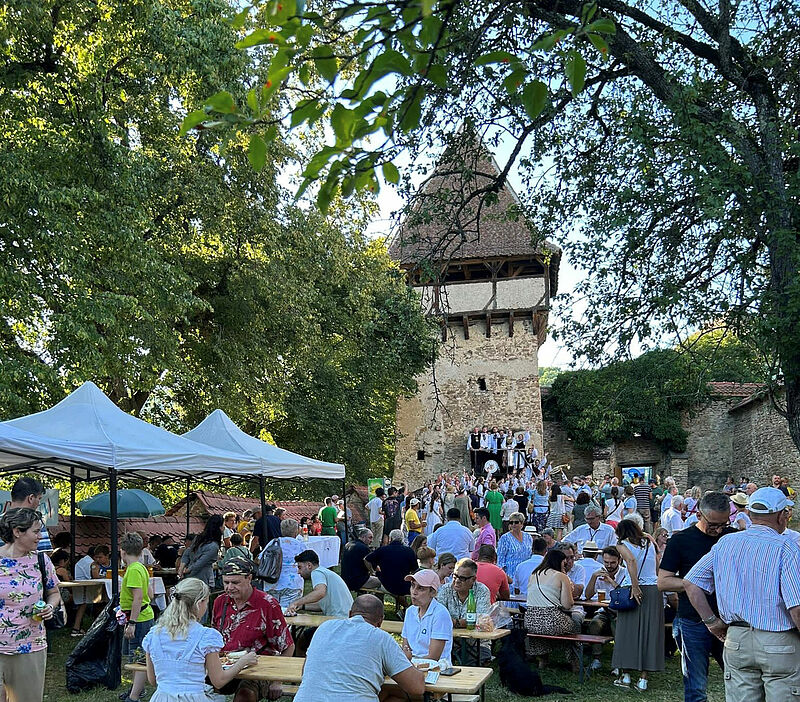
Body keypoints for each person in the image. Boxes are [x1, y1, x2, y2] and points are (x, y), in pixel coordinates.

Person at [684, 487, 800, 702]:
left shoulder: (726, 543)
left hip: (737, 639)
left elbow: (691, 582)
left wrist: (711, 622)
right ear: (781, 515)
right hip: (778, 639)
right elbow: (797, 607)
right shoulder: (788, 547)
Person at [657, 491, 732, 702]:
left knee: (738, 680)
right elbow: (663, 582)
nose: (718, 530)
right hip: (692, 620)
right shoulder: (680, 540)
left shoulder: (732, 537)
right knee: (696, 685)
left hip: (729, 619)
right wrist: (695, 585)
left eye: (723, 524)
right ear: (699, 514)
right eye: (713, 524)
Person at [142, 577, 258, 702]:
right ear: (199, 604)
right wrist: (242, 662)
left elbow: (153, 680)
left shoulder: (154, 634)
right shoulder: (205, 636)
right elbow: (219, 681)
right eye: (206, 603)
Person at [295, 595, 425, 702]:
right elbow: (417, 688)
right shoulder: (381, 638)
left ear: (350, 614)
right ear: (380, 621)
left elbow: (305, 672)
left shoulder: (325, 627)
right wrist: (405, 660)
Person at [212, 557, 294, 702]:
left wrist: (277, 680)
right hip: (224, 664)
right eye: (226, 582)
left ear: (249, 578)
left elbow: (288, 646)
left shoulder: (268, 604)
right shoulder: (220, 601)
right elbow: (213, 638)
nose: (229, 588)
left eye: (235, 583)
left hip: (257, 667)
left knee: (245, 696)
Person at [0, 508, 60, 702]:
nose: (40, 537)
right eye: (35, 531)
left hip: (31, 647)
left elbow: (54, 593)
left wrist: (50, 607)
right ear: (18, 532)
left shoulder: (42, 560)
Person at [612, 518, 664, 691]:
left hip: (632, 588)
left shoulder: (621, 544)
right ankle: (643, 679)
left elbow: (631, 561)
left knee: (627, 632)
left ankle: (626, 675)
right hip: (653, 587)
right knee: (650, 632)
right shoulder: (649, 541)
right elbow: (657, 565)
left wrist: (635, 586)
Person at [524, 549, 579, 667]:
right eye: (564, 563)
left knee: (542, 630)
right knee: (574, 626)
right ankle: (574, 662)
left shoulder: (533, 574)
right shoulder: (561, 576)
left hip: (530, 621)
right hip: (551, 620)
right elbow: (567, 605)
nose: (566, 566)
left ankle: (542, 660)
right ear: (558, 562)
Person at [120, 532, 156, 702]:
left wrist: (132, 622)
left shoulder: (133, 570)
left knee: (139, 658)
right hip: (144, 615)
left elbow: (138, 597)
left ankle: (134, 696)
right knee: (136, 656)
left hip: (139, 619)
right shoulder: (141, 567)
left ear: (122, 551)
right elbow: (151, 593)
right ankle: (136, 689)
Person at [583, 546, 628, 671]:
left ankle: (618, 662)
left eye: (612, 562)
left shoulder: (625, 573)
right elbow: (587, 595)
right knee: (594, 624)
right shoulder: (599, 572)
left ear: (619, 560)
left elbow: (625, 595)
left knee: (618, 627)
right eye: (606, 562)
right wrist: (593, 578)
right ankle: (597, 658)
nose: (609, 565)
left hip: (621, 611)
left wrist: (611, 581)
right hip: (604, 610)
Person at [401, 570, 453, 666]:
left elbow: (433, 657)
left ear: (433, 593)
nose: (414, 592)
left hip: (436, 669)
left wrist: (408, 663)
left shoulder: (440, 614)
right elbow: (405, 648)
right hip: (412, 666)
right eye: (412, 586)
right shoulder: (410, 612)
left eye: (420, 588)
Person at [286, 550, 353, 617]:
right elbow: (324, 606)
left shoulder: (317, 572)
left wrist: (296, 603)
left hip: (340, 619)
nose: (298, 572)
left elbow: (320, 593)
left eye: (300, 567)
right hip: (345, 617)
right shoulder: (323, 572)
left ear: (309, 565)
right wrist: (302, 606)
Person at [437, 558, 491, 628]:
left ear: (473, 579)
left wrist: (455, 623)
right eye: (455, 576)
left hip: (476, 637)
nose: (457, 581)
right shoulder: (445, 589)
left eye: (462, 578)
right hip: (450, 637)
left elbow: (481, 620)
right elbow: (438, 615)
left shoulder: (482, 590)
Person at [1, 477, 52, 552]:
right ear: (31, 498)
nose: (39, 503)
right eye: (39, 498)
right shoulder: (36, 523)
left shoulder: (1, 521)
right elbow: (43, 554)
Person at [264, 518, 306, 608]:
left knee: (272, 612)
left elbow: (260, 558)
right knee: (287, 613)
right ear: (296, 531)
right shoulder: (300, 545)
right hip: (292, 583)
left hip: (272, 580)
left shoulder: (273, 542)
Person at [364, 529, 418, 597]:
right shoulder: (409, 551)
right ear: (402, 539)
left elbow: (366, 560)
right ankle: (406, 605)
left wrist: (372, 571)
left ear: (390, 538)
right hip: (405, 586)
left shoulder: (383, 549)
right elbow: (415, 570)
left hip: (386, 584)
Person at [179, 515, 223, 588]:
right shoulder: (213, 546)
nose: (224, 528)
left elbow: (187, 552)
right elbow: (200, 563)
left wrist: (182, 568)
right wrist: (186, 570)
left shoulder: (198, 538)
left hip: (190, 577)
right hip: (202, 578)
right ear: (219, 527)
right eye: (223, 525)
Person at [496, 512, 533, 577]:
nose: (513, 524)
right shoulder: (505, 538)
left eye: (516, 522)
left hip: (525, 573)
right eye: (511, 522)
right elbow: (500, 559)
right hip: (511, 574)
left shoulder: (528, 537)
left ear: (522, 523)